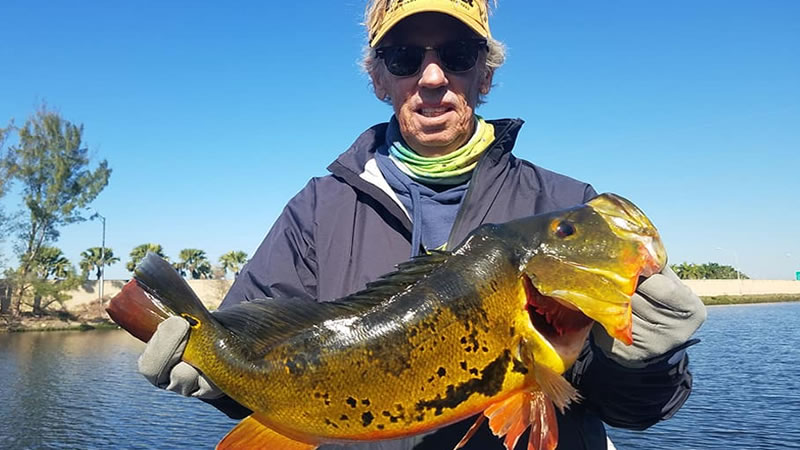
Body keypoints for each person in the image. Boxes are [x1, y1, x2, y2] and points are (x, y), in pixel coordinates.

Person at [138, 1, 707, 448]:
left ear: (485, 75)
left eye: (458, 53)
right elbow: (249, 357)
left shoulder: (565, 205)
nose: (432, 76)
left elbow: (641, 412)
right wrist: (216, 375)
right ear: (379, 78)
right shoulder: (316, 211)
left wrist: (646, 360)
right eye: (405, 57)